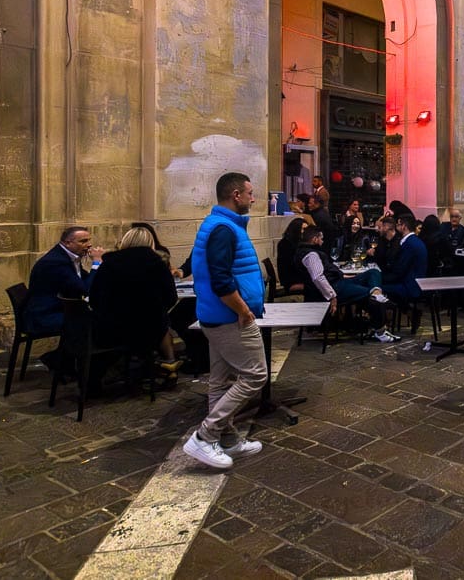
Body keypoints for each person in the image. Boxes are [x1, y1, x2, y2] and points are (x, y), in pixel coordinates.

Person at [182, 172, 266, 470]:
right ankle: (205, 436)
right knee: (255, 375)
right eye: (250, 193)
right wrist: (244, 311)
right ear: (235, 195)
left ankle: (227, 438)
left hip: (215, 316)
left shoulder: (219, 224)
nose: (253, 198)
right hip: (230, 318)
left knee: (220, 381)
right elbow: (221, 280)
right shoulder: (224, 229)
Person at [89, 227, 182, 384]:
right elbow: (171, 297)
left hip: (111, 329)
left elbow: (95, 298)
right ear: (150, 242)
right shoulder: (157, 263)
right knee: (162, 323)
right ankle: (170, 363)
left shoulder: (109, 263)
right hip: (148, 329)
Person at [294, 225, 396, 342]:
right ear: (314, 239)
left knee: (373, 272)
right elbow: (318, 277)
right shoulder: (310, 255)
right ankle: (380, 330)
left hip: (339, 281)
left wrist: (343, 275)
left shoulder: (311, 252)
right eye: (321, 239)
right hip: (334, 287)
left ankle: (377, 293)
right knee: (369, 295)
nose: (322, 241)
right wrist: (332, 296)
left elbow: (326, 272)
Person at [26, 227, 105, 333]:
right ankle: (83, 349)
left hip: (60, 309)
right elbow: (84, 289)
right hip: (45, 316)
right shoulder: (56, 262)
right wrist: (96, 263)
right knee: (99, 319)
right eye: (83, 241)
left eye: (89, 240)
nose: (89, 244)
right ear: (68, 243)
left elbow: (84, 279)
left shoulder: (68, 256)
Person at [380, 214, 427, 331]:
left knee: (378, 287)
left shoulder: (409, 244)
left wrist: (383, 277)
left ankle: (382, 322)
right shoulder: (414, 241)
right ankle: (406, 311)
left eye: (398, 224)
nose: (396, 227)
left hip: (411, 285)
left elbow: (400, 269)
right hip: (415, 281)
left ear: (404, 226)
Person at [275, 217, 308, 293]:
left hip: (296, 278)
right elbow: (292, 266)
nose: (305, 232)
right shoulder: (286, 245)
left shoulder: (298, 243)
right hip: (292, 282)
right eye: (303, 229)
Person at [420, 213, 454, 277]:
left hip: (424, 269)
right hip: (438, 269)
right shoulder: (441, 238)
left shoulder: (421, 238)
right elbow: (449, 252)